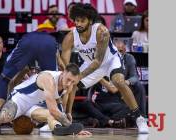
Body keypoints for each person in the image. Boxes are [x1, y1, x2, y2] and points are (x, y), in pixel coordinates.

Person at [61, 3, 148, 133]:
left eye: (82, 21)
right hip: (90, 64)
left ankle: (139, 118)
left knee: (118, 81)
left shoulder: (101, 31)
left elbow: (98, 61)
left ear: (90, 21)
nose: (78, 24)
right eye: (77, 20)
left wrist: (79, 76)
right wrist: (67, 76)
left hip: (109, 61)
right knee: (70, 85)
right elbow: (65, 64)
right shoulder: (70, 37)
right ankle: (65, 118)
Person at [0, 63, 91, 135]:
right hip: (20, 99)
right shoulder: (48, 79)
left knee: (51, 116)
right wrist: (70, 125)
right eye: (68, 80)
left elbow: (58, 107)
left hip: (34, 106)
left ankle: (57, 129)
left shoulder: (68, 86)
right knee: (3, 118)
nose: (69, 84)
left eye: (73, 82)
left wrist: (75, 131)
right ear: (63, 73)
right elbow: (53, 109)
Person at [0, 31, 59, 132]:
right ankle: (57, 120)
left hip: (29, 41)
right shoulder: (30, 71)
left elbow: (10, 82)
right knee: (54, 83)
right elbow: (14, 82)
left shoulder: (26, 67)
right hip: (48, 42)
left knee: (4, 78)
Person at [115, 39, 147, 115]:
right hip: (112, 85)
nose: (119, 54)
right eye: (117, 51)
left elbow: (135, 76)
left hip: (126, 85)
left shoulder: (129, 58)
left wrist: (127, 82)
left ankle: (142, 116)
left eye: (121, 51)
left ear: (125, 50)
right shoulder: (109, 59)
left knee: (139, 86)